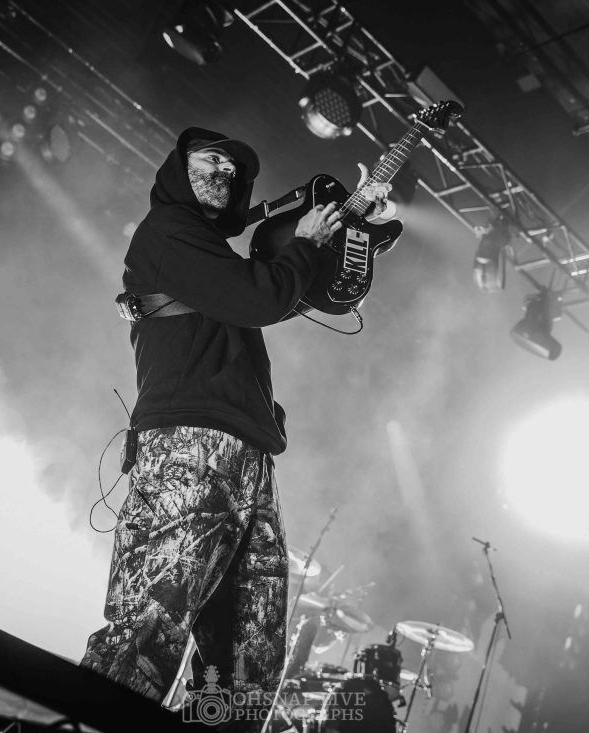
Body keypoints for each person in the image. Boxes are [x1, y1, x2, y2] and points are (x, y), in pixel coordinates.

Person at [81, 126, 391, 726]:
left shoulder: (213, 259)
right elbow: (258, 299)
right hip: (187, 447)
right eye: (211, 159)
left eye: (233, 167)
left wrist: (348, 237)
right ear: (179, 168)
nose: (224, 171)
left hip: (247, 456)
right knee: (149, 629)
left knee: (247, 664)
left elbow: (281, 295)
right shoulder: (168, 231)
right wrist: (305, 241)